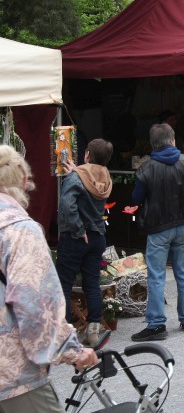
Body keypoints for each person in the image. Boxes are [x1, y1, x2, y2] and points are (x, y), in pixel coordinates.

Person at [0, 146, 99, 412]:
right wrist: (72, 351)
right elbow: (33, 303)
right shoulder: (19, 231)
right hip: (12, 376)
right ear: (24, 181)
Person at [131, 122, 184, 342]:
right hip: (183, 225)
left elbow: (136, 198)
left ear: (153, 144)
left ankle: (157, 324)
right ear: (173, 140)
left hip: (158, 228)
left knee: (156, 276)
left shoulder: (146, 169)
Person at [55, 138, 114, 349]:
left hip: (76, 237)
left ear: (87, 154)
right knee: (92, 283)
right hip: (97, 236)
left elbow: (67, 206)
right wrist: (76, 171)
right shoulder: (105, 176)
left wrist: (79, 230)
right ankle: (93, 332)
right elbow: (88, 179)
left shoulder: (76, 177)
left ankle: (64, 334)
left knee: (63, 283)